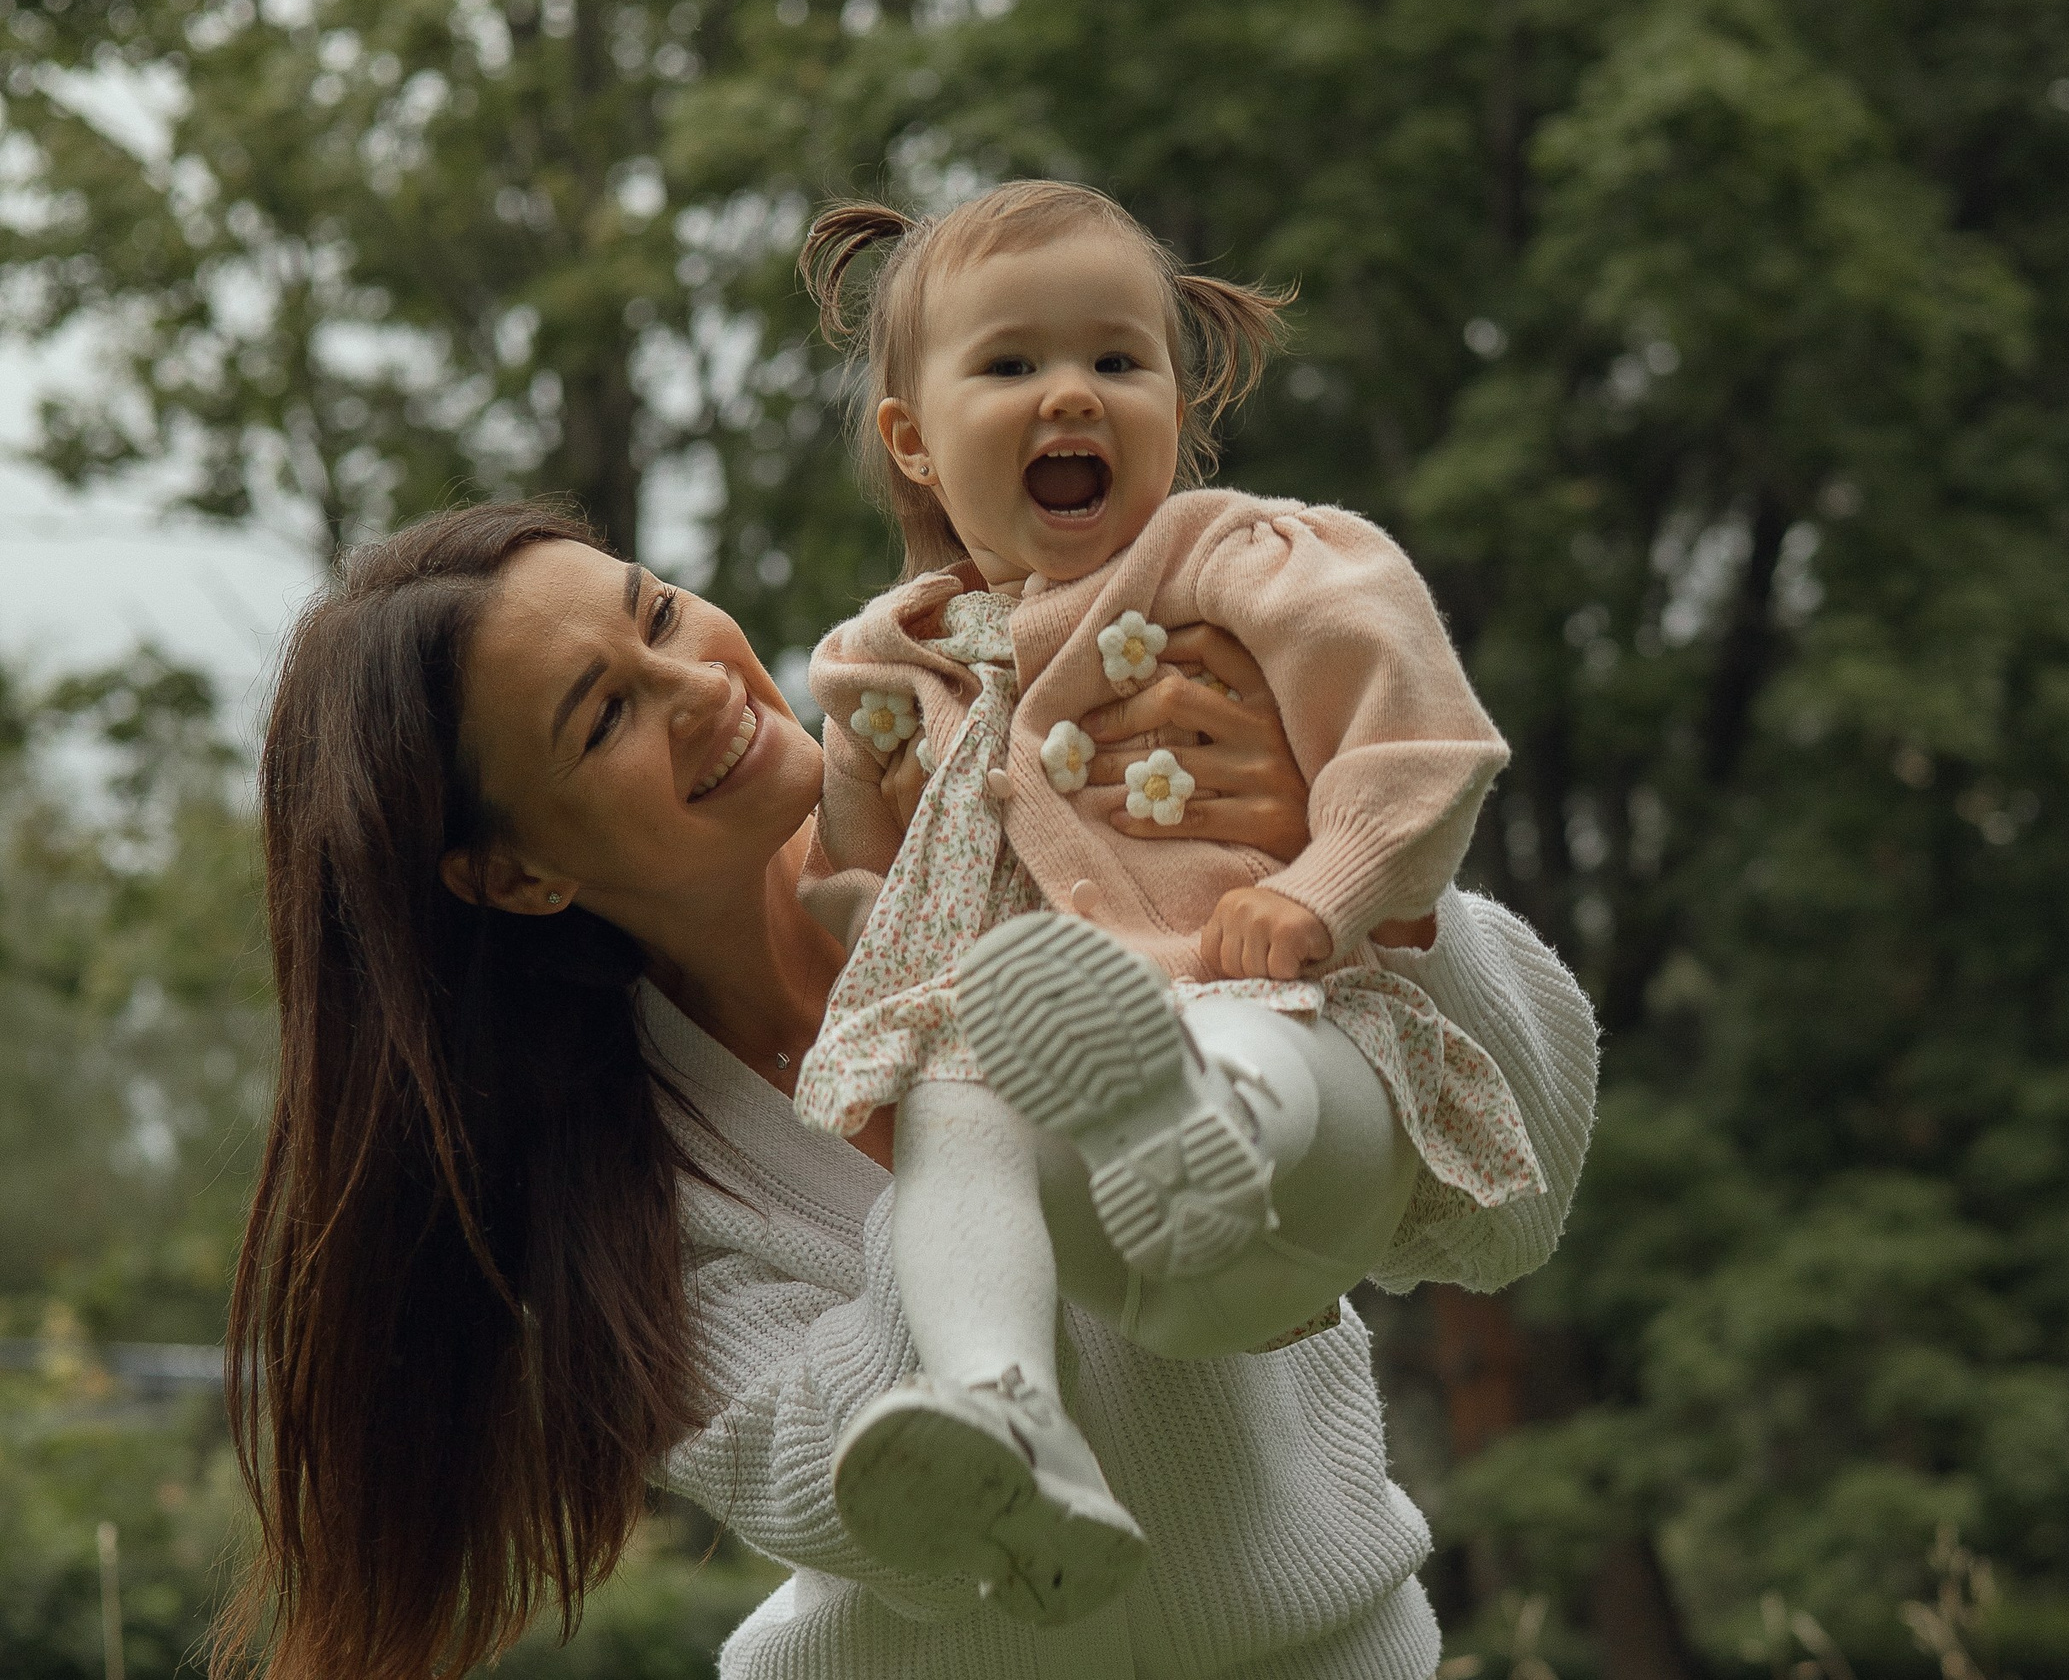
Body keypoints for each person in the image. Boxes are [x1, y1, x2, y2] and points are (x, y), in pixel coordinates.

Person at [219, 501, 1596, 1680]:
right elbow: (894, 1517)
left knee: (1236, 1109)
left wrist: (1341, 880)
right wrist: (949, 1077)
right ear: (516, 875)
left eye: (657, 614)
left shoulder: (1048, 803)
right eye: (604, 718)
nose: (697, 683)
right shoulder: (619, 1193)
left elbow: (1512, 1204)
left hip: (1339, 1659)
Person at [788, 179, 1546, 1625]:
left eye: (1117, 362)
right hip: (1068, 1123)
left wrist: (1322, 892)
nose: (1071, 392)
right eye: (1012, 365)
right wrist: (856, 929)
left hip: (1273, 1014)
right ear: (914, 441)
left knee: (1247, 1043)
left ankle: (1193, 1127)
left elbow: (1422, 743)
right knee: (953, 1099)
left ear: (1178, 407)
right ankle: (1008, 1414)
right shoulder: (891, 671)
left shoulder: (1239, 561)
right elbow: (869, 878)